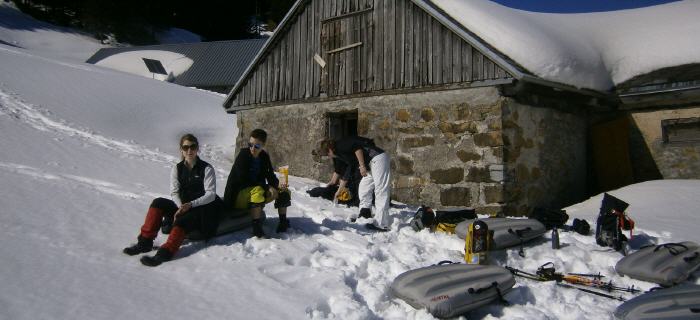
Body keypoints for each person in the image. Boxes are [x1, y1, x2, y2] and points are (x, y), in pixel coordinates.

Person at [123, 133, 223, 267]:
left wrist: (190, 205)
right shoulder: (177, 169)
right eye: (186, 147)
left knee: (183, 219)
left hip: (203, 208)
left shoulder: (206, 168)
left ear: (197, 148)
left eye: (192, 147)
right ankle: (144, 243)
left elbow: (210, 194)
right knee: (158, 202)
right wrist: (181, 206)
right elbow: (174, 192)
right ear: (181, 149)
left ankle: (165, 253)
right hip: (184, 205)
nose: (189, 150)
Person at [223, 129, 291, 238]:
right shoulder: (243, 156)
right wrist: (267, 186)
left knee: (284, 190)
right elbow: (244, 180)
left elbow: (270, 175)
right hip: (238, 195)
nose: (252, 149)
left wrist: (279, 185)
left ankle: (283, 222)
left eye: (257, 146)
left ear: (263, 145)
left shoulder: (264, 156)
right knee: (257, 191)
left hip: (255, 192)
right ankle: (256, 228)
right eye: (250, 144)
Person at [316, 136, 392, 231]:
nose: (328, 156)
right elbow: (348, 171)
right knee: (364, 188)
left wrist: (362, 165)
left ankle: (381, 224)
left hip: (378, 158)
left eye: (327, 153)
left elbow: (357, 148)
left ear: (330, 149)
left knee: (380, 190)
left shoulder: (340, 145)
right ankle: (365, 213)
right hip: (370, 163)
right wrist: (339, 191)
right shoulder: (340, 154)